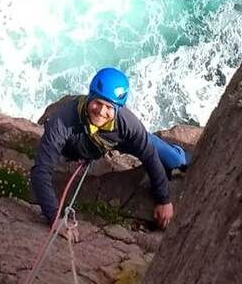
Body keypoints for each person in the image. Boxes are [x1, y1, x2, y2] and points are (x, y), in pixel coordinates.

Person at [30, 68, 190, 229]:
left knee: (175, 159)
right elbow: (41, 170)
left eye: (108, 107)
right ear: (89, 97)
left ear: (118, 108)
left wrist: (164, 200)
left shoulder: (127, 123)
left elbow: (149, 155)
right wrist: (54, 217)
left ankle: (182, 155)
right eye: (97, 103)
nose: (101, 111)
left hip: (117, 140)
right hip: (79, 143)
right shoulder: (63, 120)